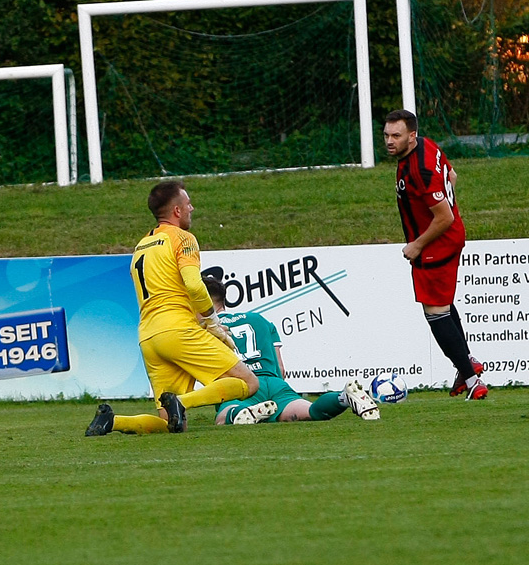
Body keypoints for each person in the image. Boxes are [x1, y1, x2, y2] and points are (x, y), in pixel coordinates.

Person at [86, 180, 259, 436]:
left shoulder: (142, 245)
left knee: (171, 424)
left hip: (148, 336)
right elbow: (194, 285)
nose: (192, 208)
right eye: (188, 204)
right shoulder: (183, 238)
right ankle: (183, 402)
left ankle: (113, 421)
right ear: (177, 211)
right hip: (177, 330)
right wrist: (212, 323)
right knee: (248, 382)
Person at [383, 109, 487, 400]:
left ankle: (471, 381)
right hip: (448, 239)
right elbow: (452, 176)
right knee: (442, 304)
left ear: (411, 136)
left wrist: (417, 244)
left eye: (396, 136)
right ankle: (468, 361)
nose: (390, 141)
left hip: (436, 245)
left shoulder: (420, 170)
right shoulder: (427, 146)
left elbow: (444, 219)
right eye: (387, 136)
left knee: (435, 312)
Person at [200, 276, 380, 424]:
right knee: (310, 411)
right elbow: (281, 369)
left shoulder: (202, 329)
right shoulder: (259, 319)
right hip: (274, 384)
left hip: (240, 386)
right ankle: (344, 398)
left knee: (223, 417)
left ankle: (242, 413)